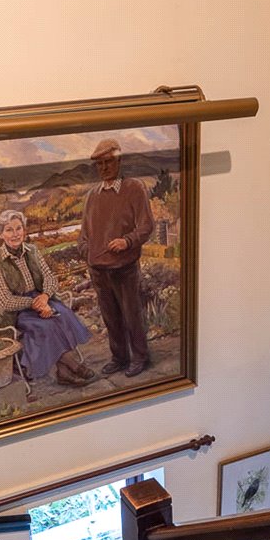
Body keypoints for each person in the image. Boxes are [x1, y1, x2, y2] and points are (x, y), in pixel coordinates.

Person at [0, 209, 94, 387]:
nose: (15, 234)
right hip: (16, 312)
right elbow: (5, 301)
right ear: (1, 234)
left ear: (24, 230)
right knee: (45, 326)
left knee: (63, 315)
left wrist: (45, 296)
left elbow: (50, 278)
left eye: (18, 228)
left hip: (42, 298)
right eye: (9, 230)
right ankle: (74, 366)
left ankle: (63, 373)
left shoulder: (32, 250)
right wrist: (35, 304)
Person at [79, 139, 154, 377]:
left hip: (125, 267)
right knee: (110, 318)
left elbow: (146, 226)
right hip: (98, 270)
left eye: (108, 162)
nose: (104, 168)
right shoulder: (92, 196)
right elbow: (84, 235)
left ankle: (140, 357)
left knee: (132, 315)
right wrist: (88, 253)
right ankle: (119, 358)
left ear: (119, 161)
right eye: (99, 164)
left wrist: (127, 241)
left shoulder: (134, 188)